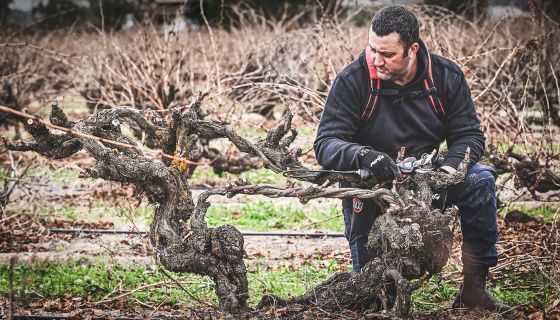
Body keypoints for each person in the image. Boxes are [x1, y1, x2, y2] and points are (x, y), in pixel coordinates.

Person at [313, 5, 513, 314]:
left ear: (412, 49)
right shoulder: (354, 79)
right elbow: (325, 144)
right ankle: (378, 290)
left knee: (481, 181)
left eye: (387, 54)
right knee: (376, 299)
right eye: (372, 49)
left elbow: (469, 136)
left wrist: (445, 173)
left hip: (430, 179)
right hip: (372, 187)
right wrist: (364, 156)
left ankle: (474, 290)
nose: (376, 60)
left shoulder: (445, 77)